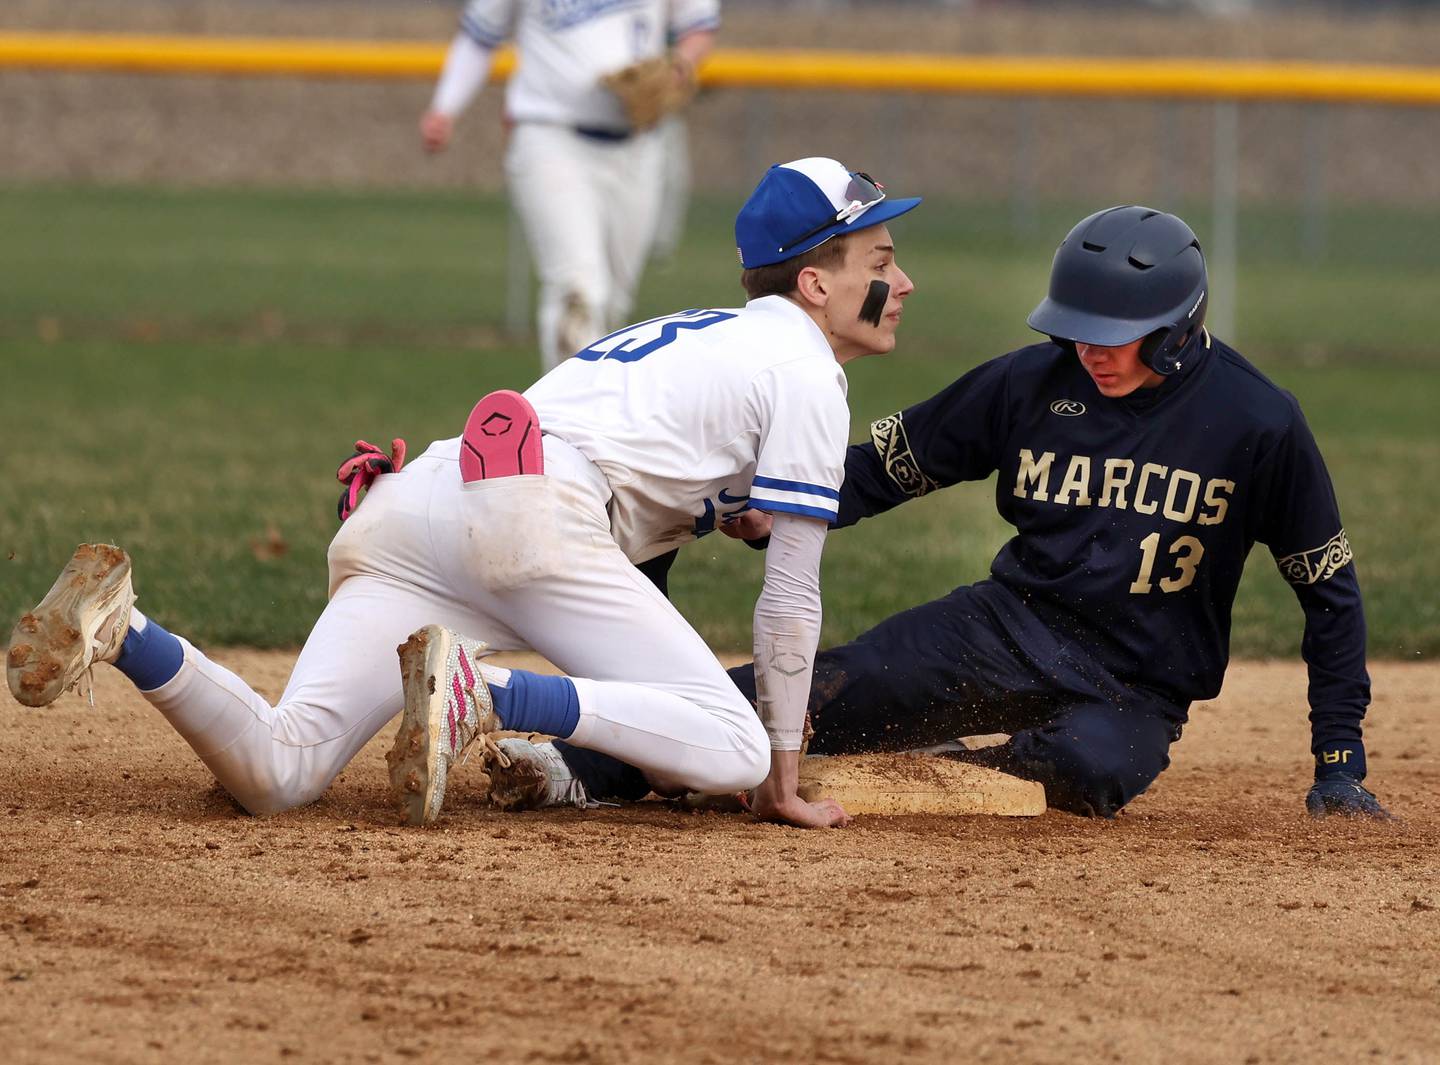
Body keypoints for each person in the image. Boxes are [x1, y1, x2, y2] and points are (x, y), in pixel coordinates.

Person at [6, 157, 919, 830]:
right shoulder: (802, 365)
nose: (901, 281)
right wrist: (784, 777)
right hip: (532, 518)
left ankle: (124, 631)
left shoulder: (709, 334)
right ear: (813, 282)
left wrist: (727, 506)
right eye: (879, 259)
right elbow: (792, 596)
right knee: (736, 748)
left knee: (280, 771)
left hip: (421, 499)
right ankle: (486, 695)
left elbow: (674, 463)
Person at [500, 205, 1389, 822]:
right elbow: (895, 466)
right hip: (1004, 625)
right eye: (1074, 328)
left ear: (1179, 325)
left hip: (1138, 683)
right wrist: (781, 506)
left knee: (1087, 771)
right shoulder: (1031, 383)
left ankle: (898, 775)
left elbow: (1329, 594)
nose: (1088, 351)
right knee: (811, 689)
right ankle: (575, 762)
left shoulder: (1259, 423)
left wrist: (1338, 761)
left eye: (1111, 336)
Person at [420, 0, 720, 372]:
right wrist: (444, 107)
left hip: (638, 145)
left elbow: (698, 26)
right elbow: (480, 35)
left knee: (613, 305)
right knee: (577, 290)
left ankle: (598, 415)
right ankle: (568, 424)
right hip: (549, 134)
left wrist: (679, 67)